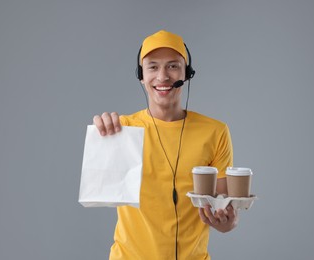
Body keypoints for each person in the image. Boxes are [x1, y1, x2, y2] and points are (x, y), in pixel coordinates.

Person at [93, 30, 238, 259]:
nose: (162, 76)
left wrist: (226, 222)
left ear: (187, 73)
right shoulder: (122, 129)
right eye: (152, 67)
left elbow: (224, 212)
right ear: (141, 75)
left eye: (172, 66)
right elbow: (99, 187)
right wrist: (101, 133)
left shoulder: (215, 132)